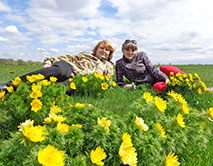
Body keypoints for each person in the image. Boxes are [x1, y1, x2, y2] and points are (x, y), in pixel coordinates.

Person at [0, 40, 114, 94]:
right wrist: (48, 62)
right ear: (96, 49)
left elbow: (107, 82)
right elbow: (65, 58)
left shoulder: (108, 66)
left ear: (110, 54)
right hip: (70, 67)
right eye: (102, 48)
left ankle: (22, 94)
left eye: (107, 50)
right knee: (59, 70)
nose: (104, 51)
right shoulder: (84, 55)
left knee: (61, 88)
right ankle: (9, 85)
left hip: (79, 80)